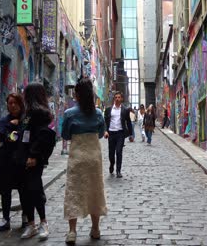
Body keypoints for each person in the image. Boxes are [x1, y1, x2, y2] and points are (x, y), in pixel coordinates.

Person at [61, 78, 107, 244]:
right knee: (95, 191)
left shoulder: (69, 114)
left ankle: (72, 232)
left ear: (77, 95)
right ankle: (95, 229)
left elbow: (65, 135)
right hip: (94, 157)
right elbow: (101, 134)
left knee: (74, 191)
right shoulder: (98, 114)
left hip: (77, 157)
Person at [18, 83, 56, 240]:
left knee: (34, 189)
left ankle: (43, 223)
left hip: (33, 158)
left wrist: (33, 155)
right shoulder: (29, 113)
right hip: (24, 156)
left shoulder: (39, 112)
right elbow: (23, 130)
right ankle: (31, 224)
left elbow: (42, 136)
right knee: (25, 191)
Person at [0, 93, 26, 232]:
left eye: (15, 103)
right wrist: (10, 128)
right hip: (6, 160)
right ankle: (6, 219)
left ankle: (25, 216)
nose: (12, 105)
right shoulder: (6, 120)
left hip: (21, 159)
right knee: (5, 189)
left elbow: (24, 134)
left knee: (24, 189)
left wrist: (15, 129)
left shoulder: (26, 118)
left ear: (20, 104)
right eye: (10, 103)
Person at [104, 91, 133, 178]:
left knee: (119, 152)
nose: (117, 99)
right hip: (111, 133)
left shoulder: (125, 110)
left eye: (119, 97)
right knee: (111, 153)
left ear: (121, 99)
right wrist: (105, 131)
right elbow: (105, 121)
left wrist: (131, 135)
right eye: (116, 97)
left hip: (120, 133)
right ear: (114, 99)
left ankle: (118, 171)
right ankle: (112, 164)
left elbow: (128, 122)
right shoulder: (109, 109)